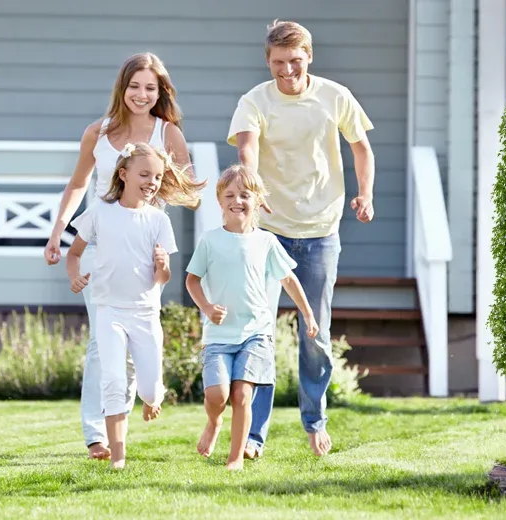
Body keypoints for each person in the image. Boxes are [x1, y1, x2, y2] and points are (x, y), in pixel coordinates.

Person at [226, 20, 375, 458]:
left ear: (309, 56)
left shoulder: (334, 95)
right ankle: (254, 435)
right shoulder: (255, 100)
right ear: (267, 61)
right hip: (269, 231)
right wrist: (254, 186)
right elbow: (246, 148)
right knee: (258, 333)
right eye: (278, 63)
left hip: (321, 230)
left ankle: (315, 421)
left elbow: (361, 148)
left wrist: (365, 195)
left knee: (316, 333)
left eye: (294, 61)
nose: (287, 71)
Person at [44, 53, 197, 461]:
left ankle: (122, 422)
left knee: (133, 344)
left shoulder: (169, 135)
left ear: (160, 92)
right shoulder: (97, 132)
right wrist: (59, 229)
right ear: (122, 88)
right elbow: (78, 184)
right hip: (97, 247)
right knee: (102, 341)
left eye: (150, 88)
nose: (141, 95)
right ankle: (98, 434)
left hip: (143, 253)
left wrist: (151, 195)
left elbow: (188, 188)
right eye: (134, 86)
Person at [66, 142, 205, 469]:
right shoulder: (100, 211)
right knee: (112, 379)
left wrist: (162, 265)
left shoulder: (158, 220)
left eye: (157, 176)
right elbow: (73, 253)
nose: (152, 182)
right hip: (109, 311)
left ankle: (153, 398)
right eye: (145, 174)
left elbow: (163, 278)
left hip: (145, 314)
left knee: (149, 389)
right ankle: (118, 457)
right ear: (123, 174)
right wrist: (75, 276)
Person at [186, 165, 318, 470]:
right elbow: (192, 280)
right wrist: (206, 307)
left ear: (258, 200)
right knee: (217, 396)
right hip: (218, 334)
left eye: (245, 195)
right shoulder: (209, 240)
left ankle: (235, 458)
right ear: (220, 201)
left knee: (242, 394)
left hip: (255, 333)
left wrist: (308, 315)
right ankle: (213, 421)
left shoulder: (266, 242)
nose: (237, 200)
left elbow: (289, 280)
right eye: (230, 195)